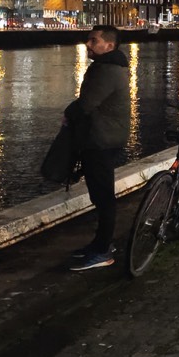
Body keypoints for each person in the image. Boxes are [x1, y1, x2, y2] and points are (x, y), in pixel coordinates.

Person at [66, 25, 130, 271]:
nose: (88, 44)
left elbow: (86, 104)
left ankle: (103, 250)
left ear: (109, 46)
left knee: (103, 196)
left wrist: (67, 114)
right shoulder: (112, 67)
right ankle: (100, 244)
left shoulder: (106, 71)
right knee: (101, 194)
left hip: (101, 140)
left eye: (94, 41)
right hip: (105, 137)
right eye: (88, 40)